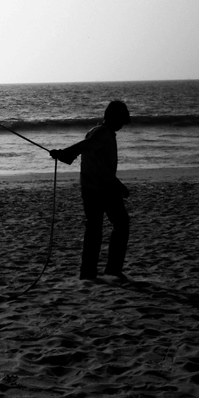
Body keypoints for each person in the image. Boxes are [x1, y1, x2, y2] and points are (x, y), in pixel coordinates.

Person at [50, 101, 132, 281]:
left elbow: (102, 166)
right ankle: (103, 270)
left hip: (99, 187)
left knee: (99, 228)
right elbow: (82, 147)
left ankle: (93, 271)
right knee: (115, 226)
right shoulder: (102, 133)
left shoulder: (103, 132)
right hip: (98, 190)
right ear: (115, 117)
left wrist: (119, 185)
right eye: (122, 119)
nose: (122, 124)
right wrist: (62, 153)